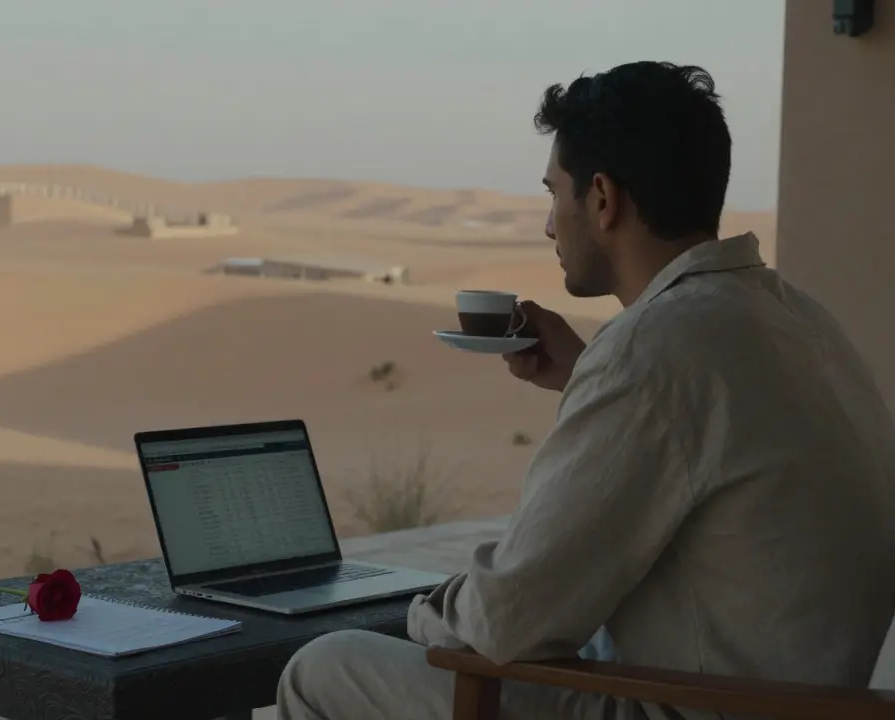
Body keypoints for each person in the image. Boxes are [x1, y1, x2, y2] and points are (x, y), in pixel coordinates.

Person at [276, 60, 895, 720]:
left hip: (684, 706)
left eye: (553, 194)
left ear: (602, 198)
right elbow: (720, 439)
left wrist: (427, 613)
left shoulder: (655, 349)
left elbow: (502, 623)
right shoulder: (793, 316)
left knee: (324, 665)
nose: (549, 225)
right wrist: (587, 374)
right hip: (811, 705)